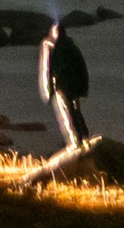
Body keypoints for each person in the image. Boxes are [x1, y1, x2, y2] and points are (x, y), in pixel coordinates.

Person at [37, 19, 92, 152]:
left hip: (64, 86)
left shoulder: (57, 50)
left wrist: (50, 89)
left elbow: (51, 70)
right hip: (76, 86)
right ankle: (84, 136)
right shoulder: (72, 46)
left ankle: (77, 141)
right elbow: (82, 67)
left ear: (56, 33)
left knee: (69, 112)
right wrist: (84, 87)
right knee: (75, 110)